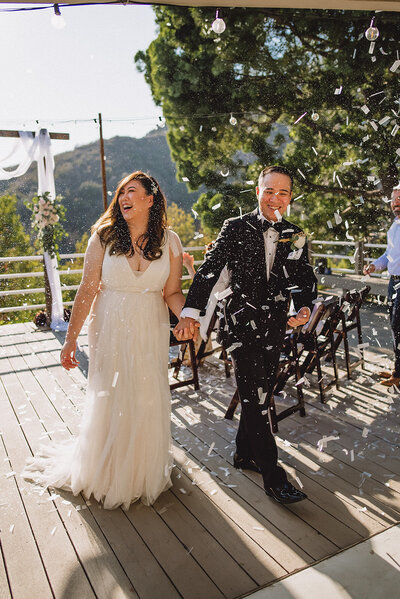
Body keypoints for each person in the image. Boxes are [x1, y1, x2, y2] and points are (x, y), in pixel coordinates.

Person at [22, 171, 190, 509]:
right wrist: (70, 341)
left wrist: (186, 316)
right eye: (120, 192)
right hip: (110, 325)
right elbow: (86, 290)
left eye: (132, 191)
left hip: (149, 326)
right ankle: (107, 468)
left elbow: (172, 291)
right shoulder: (103, 238)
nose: (123, 197)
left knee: (146, 394)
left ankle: (141, 469)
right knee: (112, 392)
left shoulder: (170, 241)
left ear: (150, 199)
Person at [174, 165, 317, 504]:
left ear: (291, 197)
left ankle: (243, 454)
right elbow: (209, 272)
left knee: (261, 395)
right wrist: (191, 312)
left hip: (274, 327)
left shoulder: (295, 235)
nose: (275, 198)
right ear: (257, 192)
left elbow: (304, 280)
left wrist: (304, 309)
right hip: (239, 327)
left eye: (283, 192)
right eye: (269, 190)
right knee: (254, 398)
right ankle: (273, 475)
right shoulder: (235, 227)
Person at [364, 184, 400, 387]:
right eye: (394, 199)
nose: (396, 202)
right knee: (395, 327)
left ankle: (399, 374)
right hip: (393, 282)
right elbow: (388, 255)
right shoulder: (395, 225)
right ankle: (397, 369)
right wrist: (374, 266)